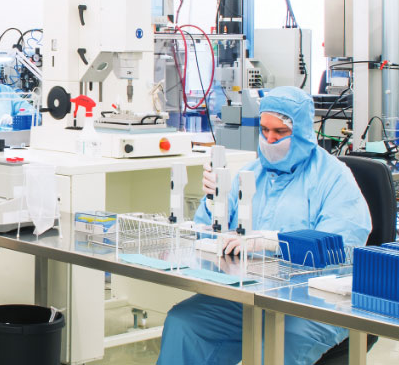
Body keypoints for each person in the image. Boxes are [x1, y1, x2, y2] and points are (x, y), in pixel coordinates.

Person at [157, 86, 371, 365]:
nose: (270, 139)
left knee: (273, 347)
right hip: (248, 294)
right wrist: (213, 203)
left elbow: (343, 246)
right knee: (184, 323)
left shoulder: (334, 178)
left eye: (280, 132)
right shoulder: (251, 172)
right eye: (265, 129)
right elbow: (206, 232)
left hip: (311, 303)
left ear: (304, 131)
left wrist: (274, 241)